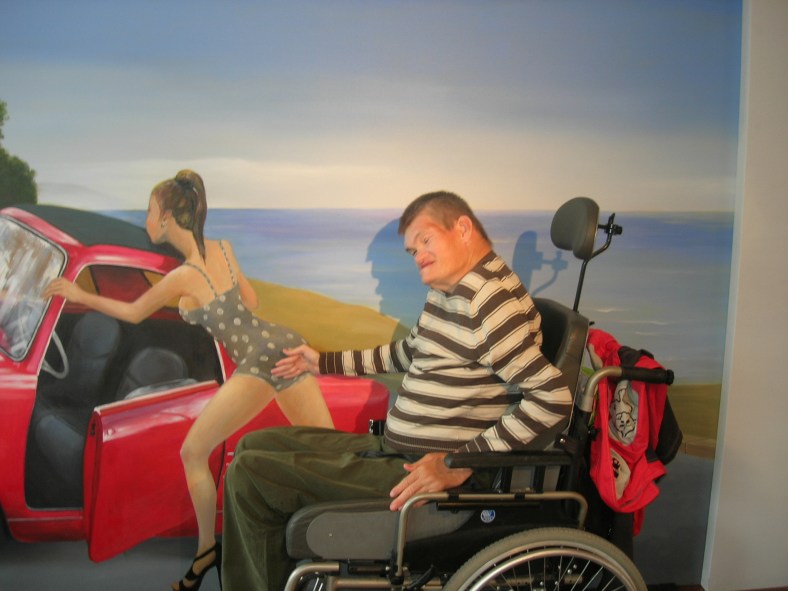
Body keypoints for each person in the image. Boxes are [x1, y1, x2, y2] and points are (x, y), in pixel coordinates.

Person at [220, 191, 573, 591]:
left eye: (426, 239)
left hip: (425, 472)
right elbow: (407, 352)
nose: (418, 255)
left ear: (462, 228)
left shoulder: (489, 300)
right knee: (252, 445)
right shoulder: (451, 291)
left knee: (250, 475)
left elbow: (553, 398)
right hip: (399, 450)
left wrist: (456, 463)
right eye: (412, 250)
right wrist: (322, 362)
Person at [43, 170, 334, 591]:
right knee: (327, 449)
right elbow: (251, 301)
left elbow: (134, 313)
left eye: (149, 211)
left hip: (259, 361)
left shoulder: (183, 276)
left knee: (193, 452)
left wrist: (80, 295)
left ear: (166, 219)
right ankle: (336, 544)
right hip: (284, 342)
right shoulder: (225, 248)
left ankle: (206, 551)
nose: (146, 219)